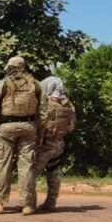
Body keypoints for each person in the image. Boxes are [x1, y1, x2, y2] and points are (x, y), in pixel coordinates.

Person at [0, 56, 48, 216]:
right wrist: (40, 132)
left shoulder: (3, 84)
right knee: (26, 166)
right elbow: (43, 112)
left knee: (4, 165)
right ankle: (27, 204)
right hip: (29, 128)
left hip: (6, 128)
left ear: (9, 68)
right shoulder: (36, 85)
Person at [33, 76, 76, 211]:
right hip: (59, 143)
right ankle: (51, 203)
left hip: (44, 144)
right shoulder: (68, 105)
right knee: (54, 173)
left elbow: (38, 123)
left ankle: (29, 203)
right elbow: (71, 127)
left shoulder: (45, 103)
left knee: (30, 173)